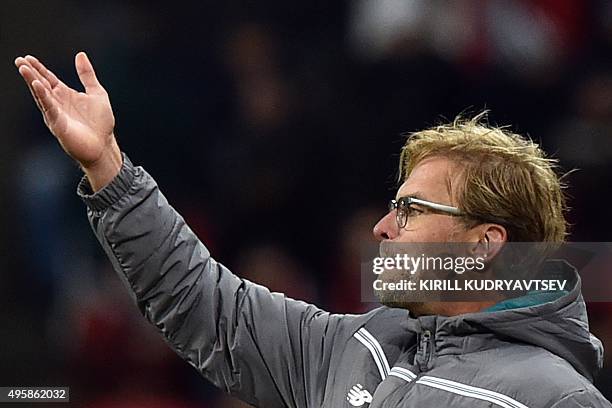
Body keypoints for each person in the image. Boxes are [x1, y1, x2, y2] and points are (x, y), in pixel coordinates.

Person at [15, 52, 611, 407]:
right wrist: (106, 165)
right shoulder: (351, 346)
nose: (381, 229)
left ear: (484, 244)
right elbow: (206, 304)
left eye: (410, 211)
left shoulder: (554, 396)